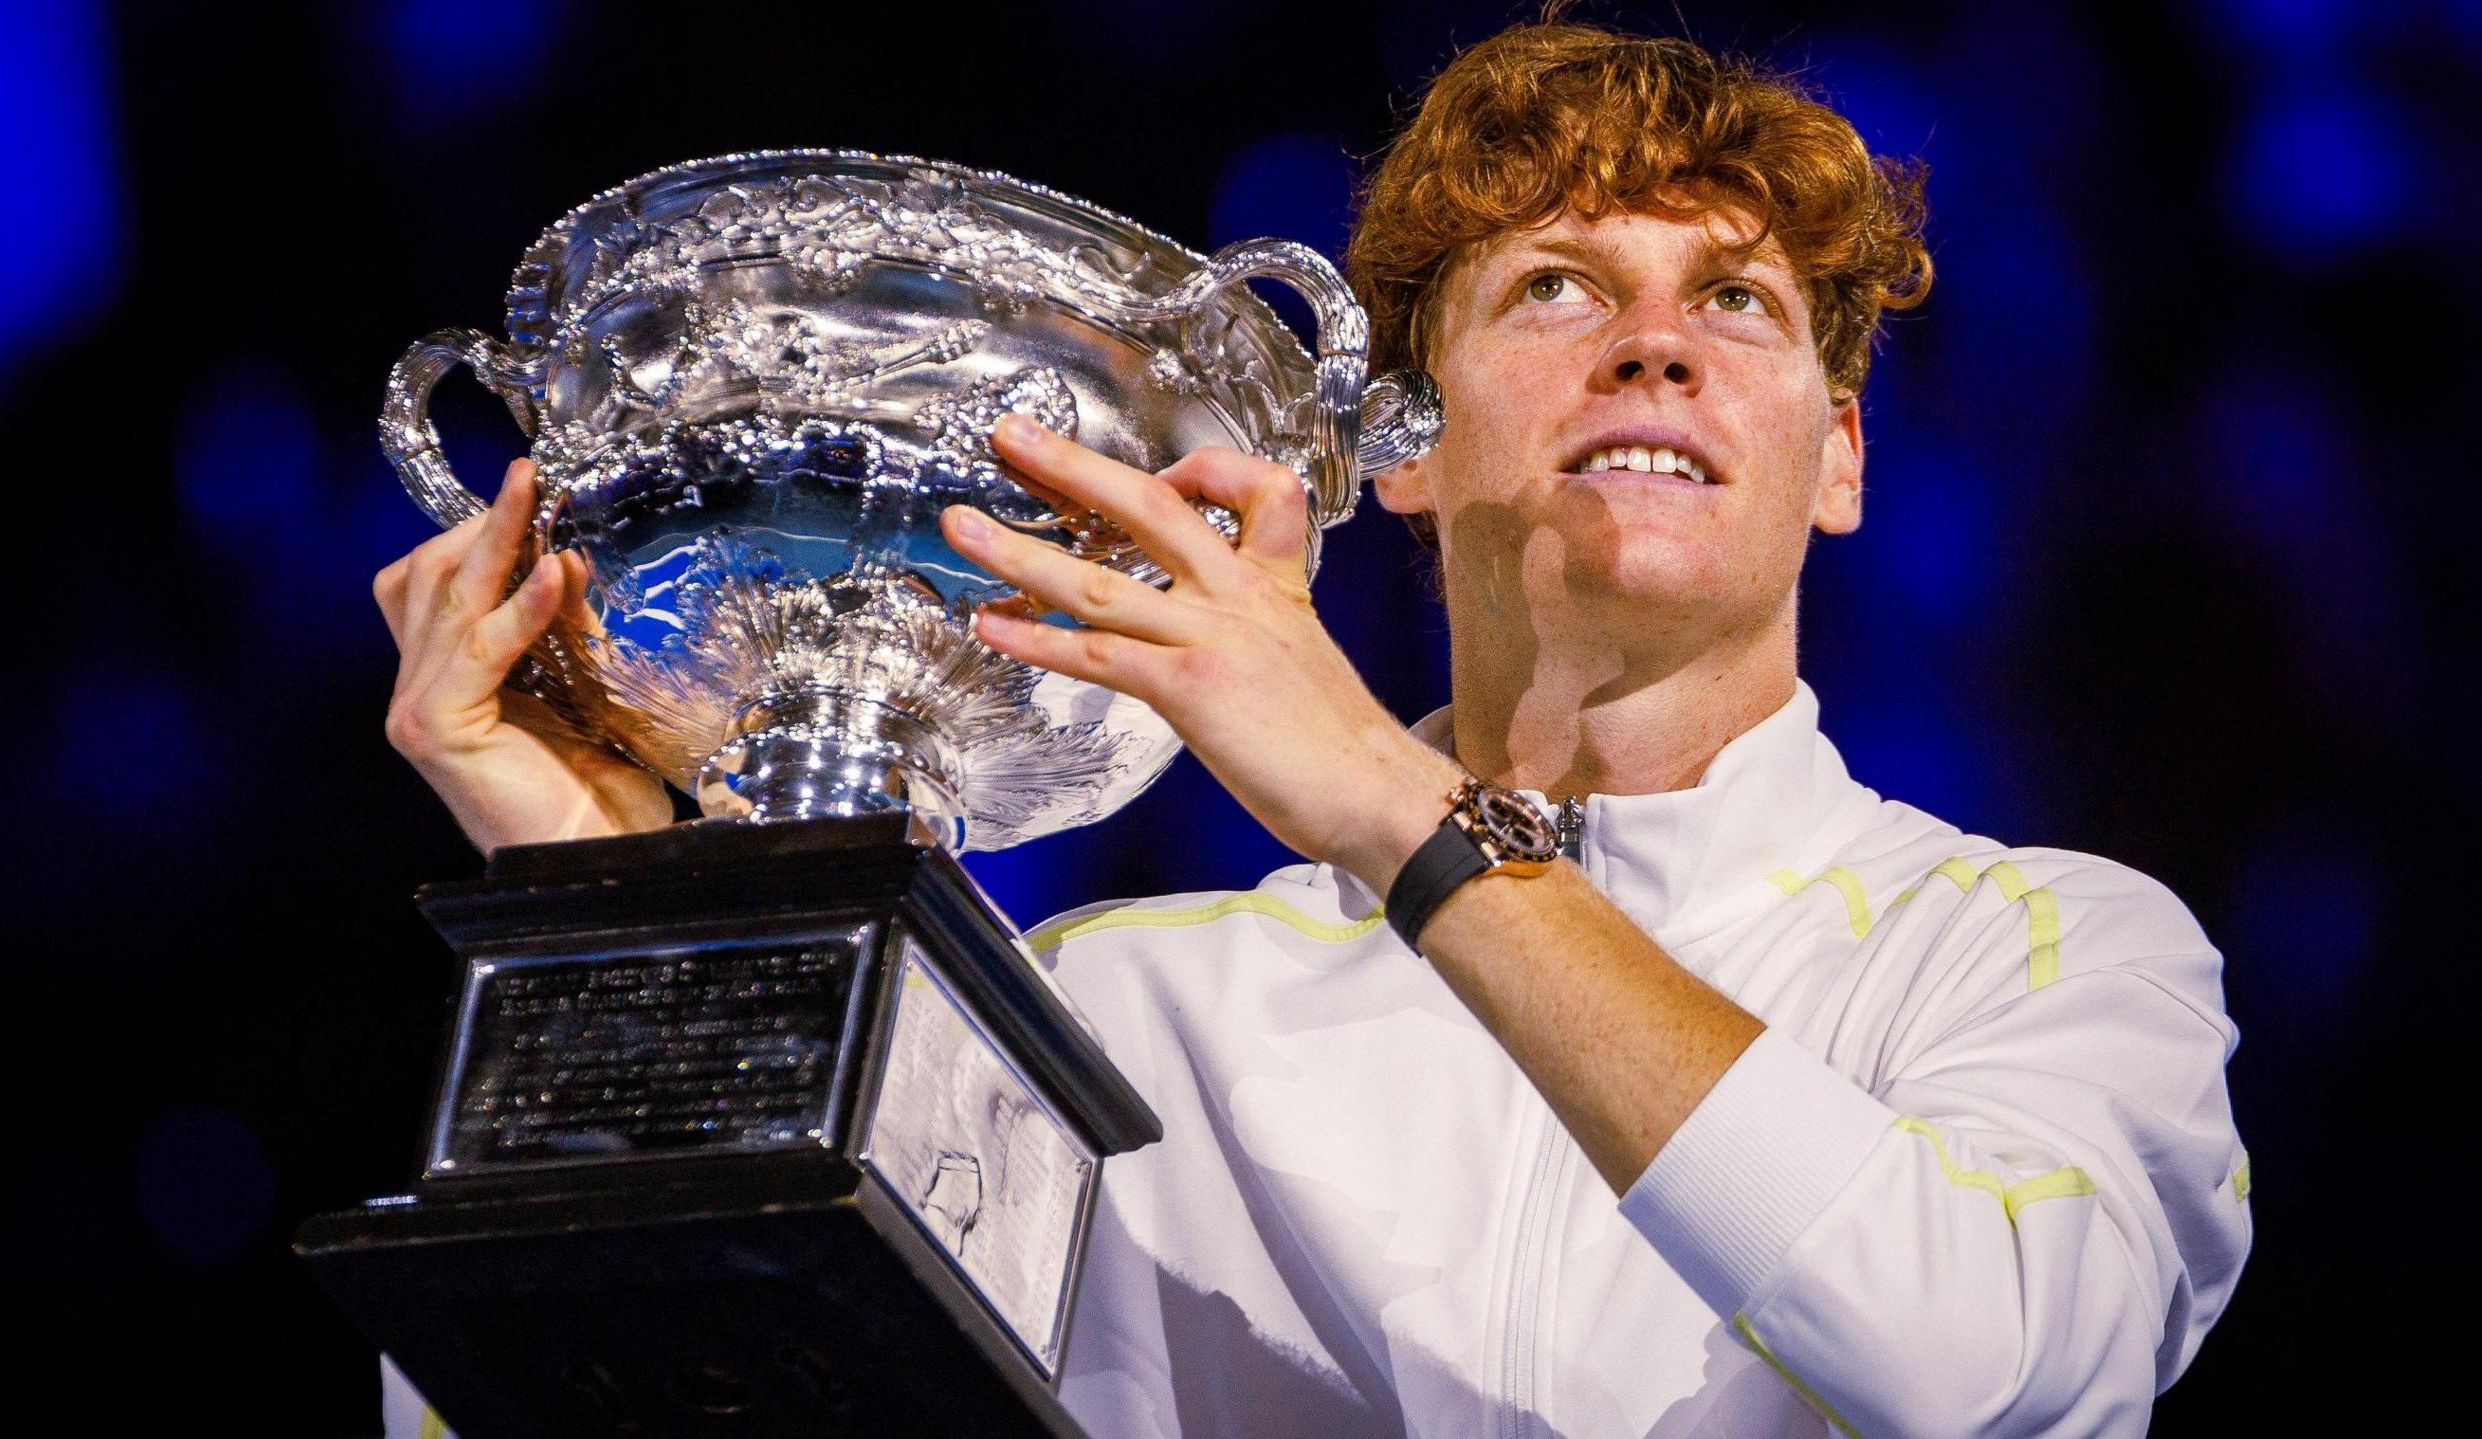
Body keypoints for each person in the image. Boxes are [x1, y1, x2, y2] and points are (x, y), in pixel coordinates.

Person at [374, 21, 2250, 1439]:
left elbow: (1976, 1360)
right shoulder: (1111, 1022)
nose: (1656, 345)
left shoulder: (2050, 951)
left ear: (1839, 456)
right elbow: (553, 1401)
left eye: (1736, 304)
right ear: (1408, 453)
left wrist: (1403, 811)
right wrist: (615, 920)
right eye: (1559, 290)